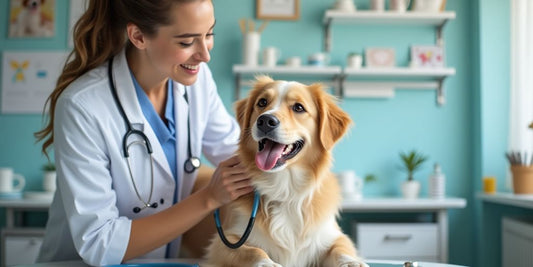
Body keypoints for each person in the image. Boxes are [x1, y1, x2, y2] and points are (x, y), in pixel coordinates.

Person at [33, 0, 253, 265]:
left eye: (209, 35)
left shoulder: (197, 80)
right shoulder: (82, 105)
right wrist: (209, 198)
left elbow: (237, 153)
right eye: (186, 42)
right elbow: (99, 243)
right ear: (138, 37)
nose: (205, 55)